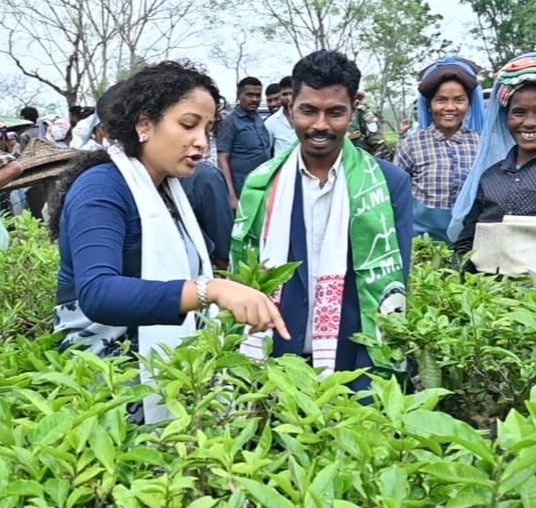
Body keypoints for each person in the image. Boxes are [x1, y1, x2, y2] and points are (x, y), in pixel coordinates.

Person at [51, 62, 288, 424]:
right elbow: (98, 292)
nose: (201, 141)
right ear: (144, 124)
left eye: (208, 129)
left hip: (165, 372)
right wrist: (211, 290)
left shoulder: (167, 191)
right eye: (188, 124)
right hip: (110, 389)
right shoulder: (102, 189)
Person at [230, 51, 413, 390]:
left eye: (335, 112)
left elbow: (395, 281)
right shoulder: (262, 184)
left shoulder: (388, 184)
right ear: (290, 109)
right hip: (275, 359)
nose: (320, 125)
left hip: (356, 362)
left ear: (353, 110)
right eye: (308, 111)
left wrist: (370, 381)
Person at [450, 52, 536, 257]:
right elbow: (466, 242)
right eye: (519, 112)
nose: (530, 122)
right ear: (505, 118)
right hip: (489, 277)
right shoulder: (490, 177)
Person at [394, 57, 485, 242]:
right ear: (429, 105)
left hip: (469, 241)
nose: (450, 107)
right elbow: (396, 194)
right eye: (441, 100)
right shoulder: (412, 145)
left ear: (469, 104)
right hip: (421, 243)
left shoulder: (480, 144)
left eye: (459, 100)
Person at [217, 76, 273, 207]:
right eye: (249, 95)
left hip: (263, 187)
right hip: (243, 191)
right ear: (239, 95)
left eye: (258, 96)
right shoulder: (230, 122)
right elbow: (222, 159)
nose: (254, 99)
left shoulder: (258, 119)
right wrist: (231, 196)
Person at [265, 75, 298, 155]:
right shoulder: (271, 122)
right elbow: (266, 151)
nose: (288, 98)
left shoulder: (309, 118)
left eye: (291, 93)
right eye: (285, 94)